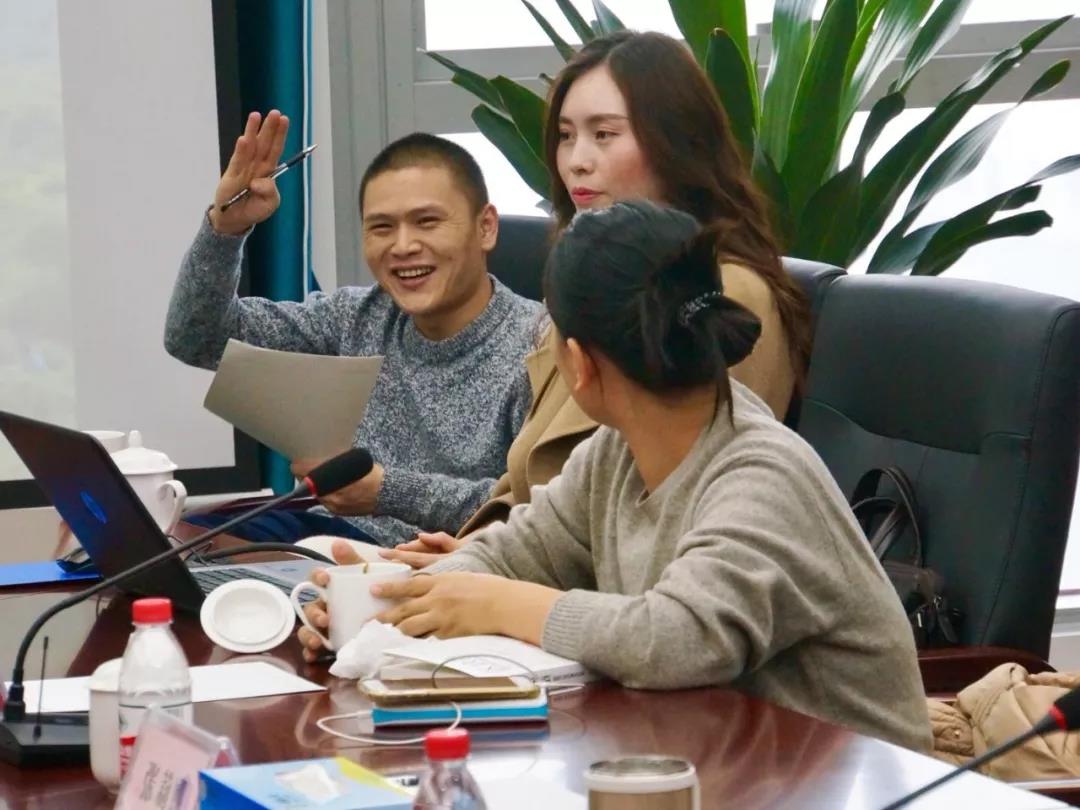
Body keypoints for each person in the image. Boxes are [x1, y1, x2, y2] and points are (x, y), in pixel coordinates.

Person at [303, 202, 931, 752]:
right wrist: (390, 606)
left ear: (577, 363)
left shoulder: (762, 474)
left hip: (854, 783)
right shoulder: (615, 451)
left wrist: (499, 602)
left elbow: (678, 639)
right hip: (723, 762)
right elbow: (517, 552)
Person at [382, 30, 813, 566]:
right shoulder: (594, 280)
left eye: (604, 134)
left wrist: (482, 575)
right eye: (566, 136)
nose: (577, 161)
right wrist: (468, 557)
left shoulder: (720, 290)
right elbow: (541, 495)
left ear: (676, 141)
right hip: (536, 563)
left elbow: (660, 514)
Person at [164, 113, 542, 545]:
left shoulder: (542, 346)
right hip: (330, 537)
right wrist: (226, 229)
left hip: (456, 559)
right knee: (182, 547)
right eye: (382, 227)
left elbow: (537, 506)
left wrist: (388, 491)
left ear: (485, 227)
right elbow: (195, 338)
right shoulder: (355, 316)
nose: (403, 246)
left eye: (427, 222)